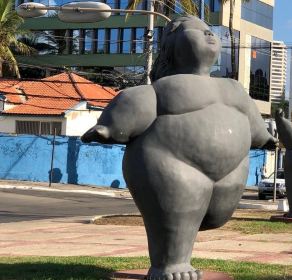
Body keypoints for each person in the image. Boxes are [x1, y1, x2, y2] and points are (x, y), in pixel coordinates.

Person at [82, 16, 276, 280]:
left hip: (229, 171)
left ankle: (178, 256)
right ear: (171, 45)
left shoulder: (233, 88)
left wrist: (264, 136)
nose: (209, 35)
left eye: (210, 32)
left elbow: (252, 119)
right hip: (169, 162)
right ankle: (168, 264)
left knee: (215, 217)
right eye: (197, 32)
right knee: (175, 217)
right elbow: (138, 101)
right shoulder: (163, 88)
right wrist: (109, 126)